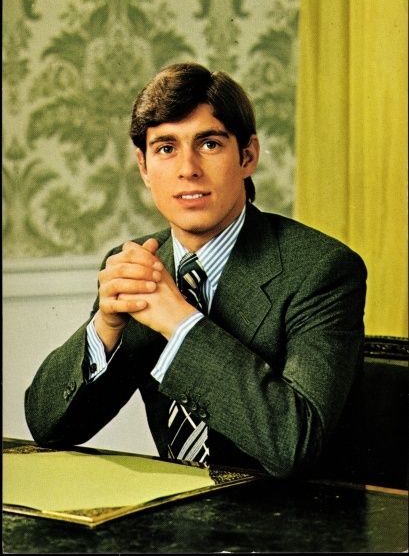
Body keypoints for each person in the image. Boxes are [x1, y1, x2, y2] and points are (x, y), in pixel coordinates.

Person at [25, 62, 367, 480]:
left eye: (208, 144)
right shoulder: (137, 262)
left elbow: (294, 445)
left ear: (248, 155)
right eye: (166, 148)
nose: (188, 168)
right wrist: (104, 329)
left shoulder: (321, 269)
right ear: (144, 167)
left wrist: (181, 323)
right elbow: (48, 428)